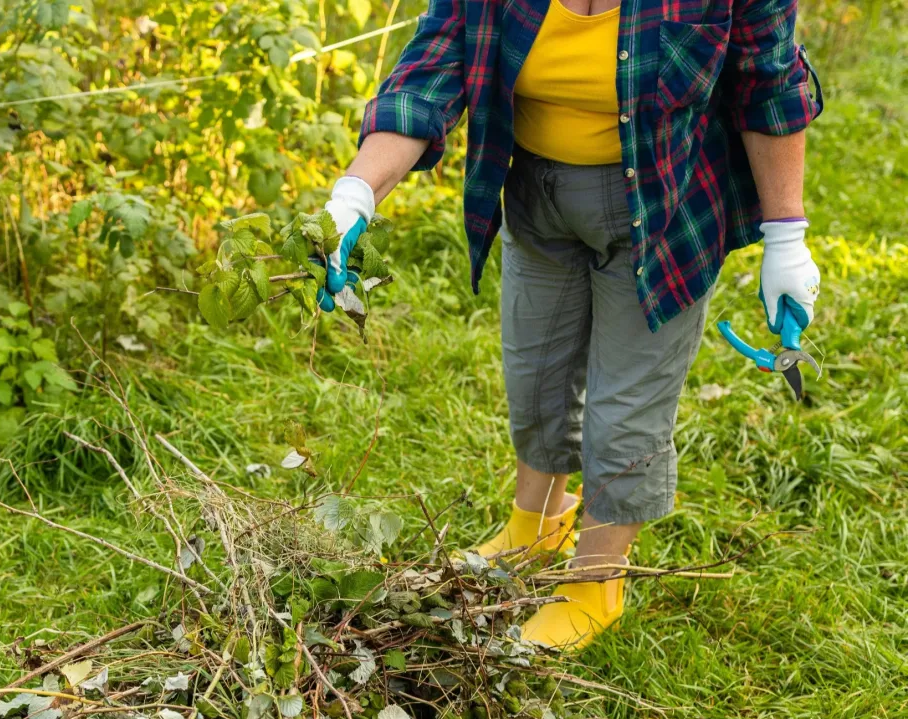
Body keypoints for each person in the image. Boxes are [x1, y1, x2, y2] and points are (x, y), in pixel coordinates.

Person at [316, 0, 823, 650]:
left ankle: (595, 583)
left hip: (664, 209)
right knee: (536, 376)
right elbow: (429, 71)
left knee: (625, 410)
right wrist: (356, 192)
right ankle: (535, 528)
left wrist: (787, 234)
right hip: (539, 197)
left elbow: (769, 86)